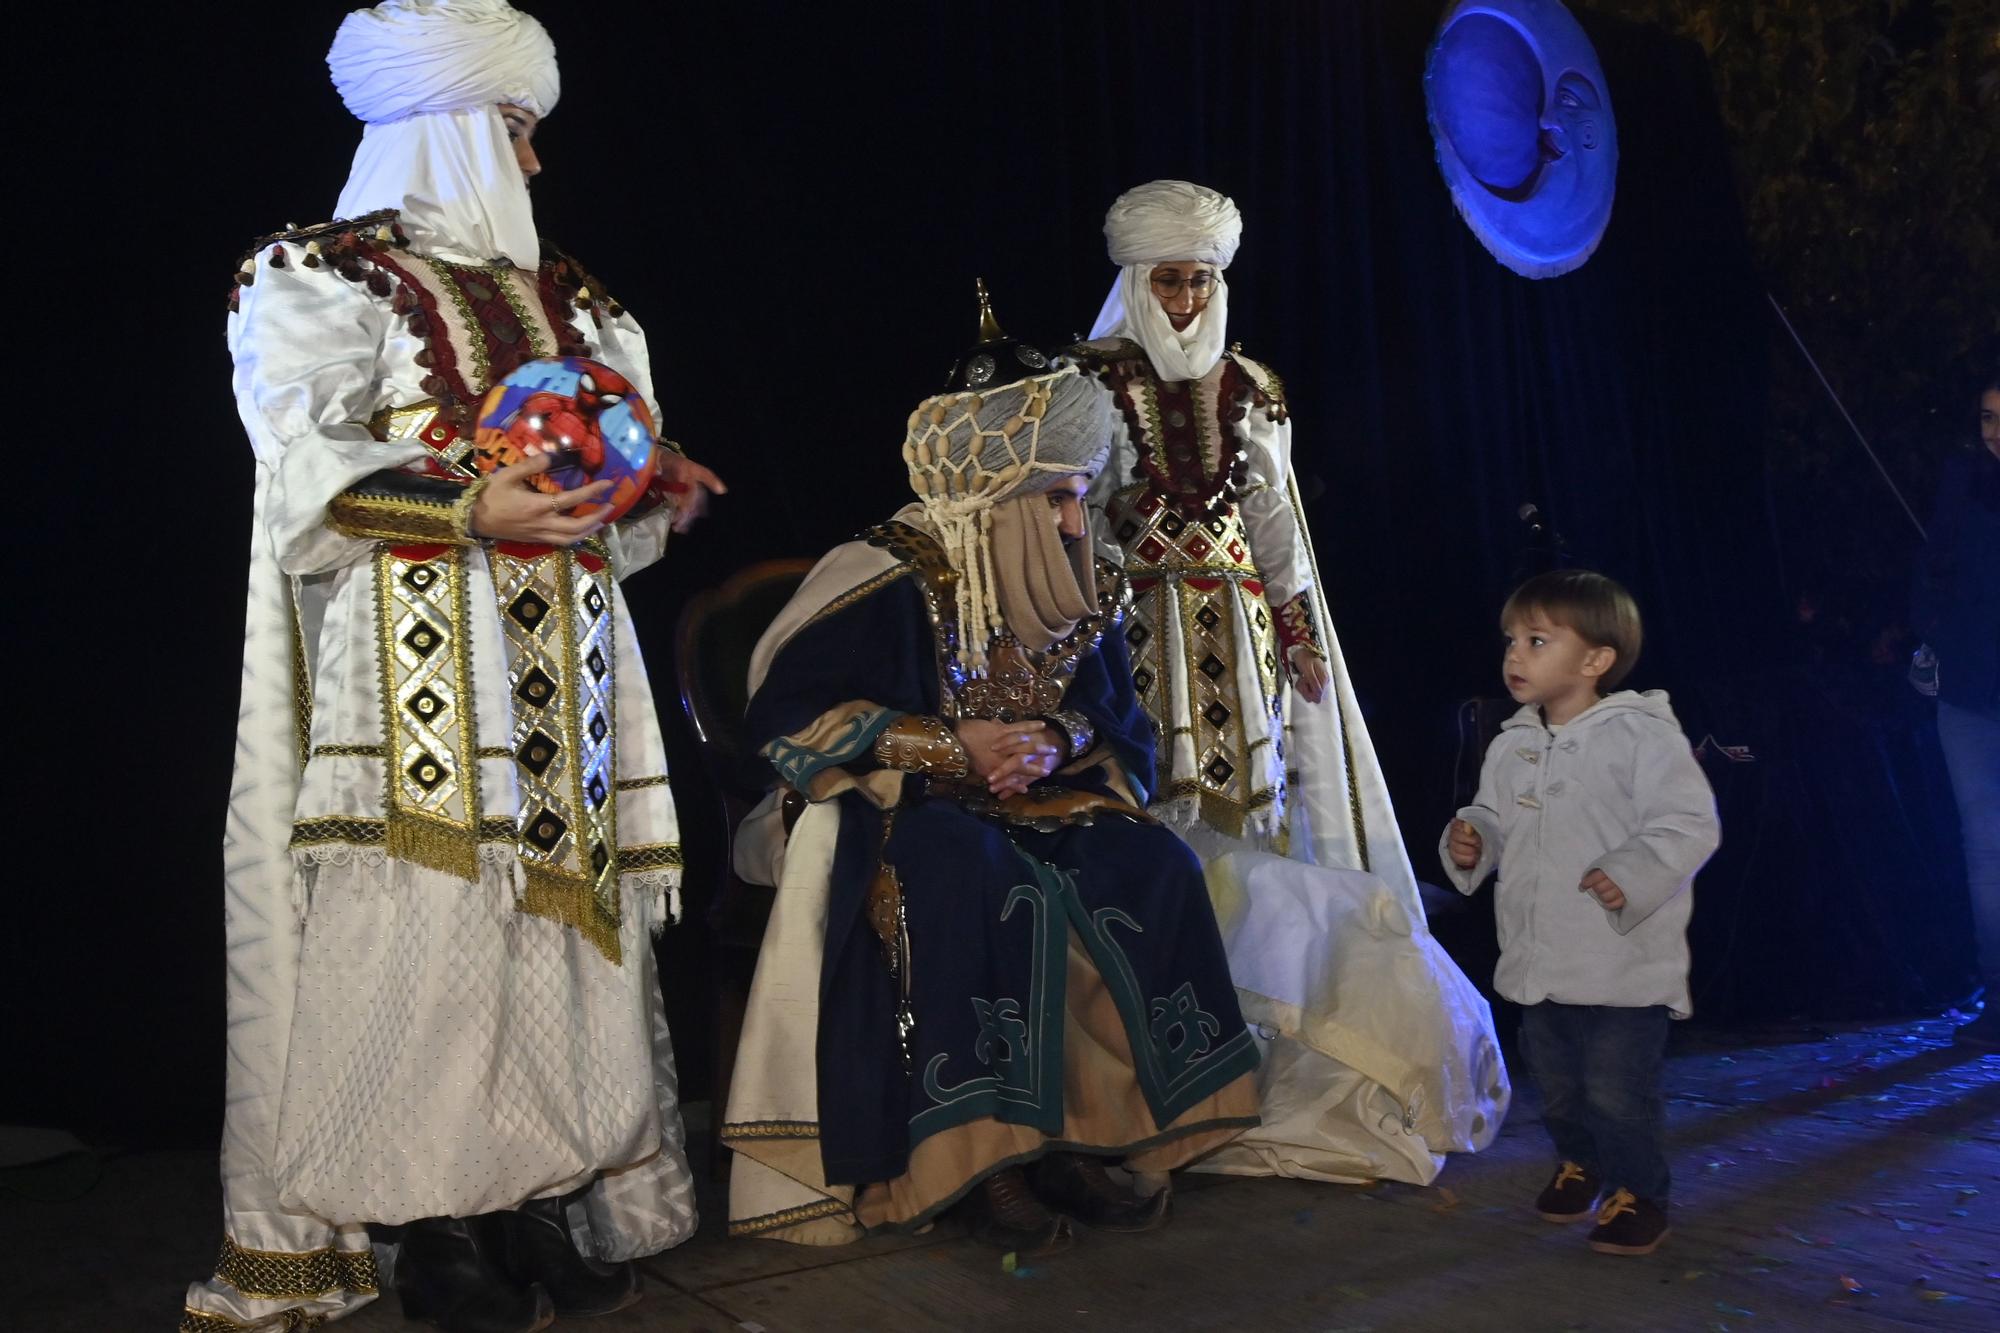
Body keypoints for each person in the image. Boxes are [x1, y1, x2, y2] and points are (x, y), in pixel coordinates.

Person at [186, 5, 720, 1330]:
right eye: (515, 134)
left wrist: (651, 483)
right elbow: (300, 456)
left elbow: (608, 456)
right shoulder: (317, 274)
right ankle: (432, 1226)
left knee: (558, 938)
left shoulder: (575, 295)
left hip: (564, 667)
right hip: (414, 666)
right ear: (443, 128)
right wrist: (465, 506)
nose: (533, 167)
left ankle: (527, 1203)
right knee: (425, 939)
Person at [718, 302, 1261, 1257]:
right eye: (1052, 495)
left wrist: (1053, 741)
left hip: (1034, 800)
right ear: (992, 484)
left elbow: (1111, 716)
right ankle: (984, 1159)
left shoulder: (1063, 573)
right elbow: (790, 719)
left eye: (1077, 496)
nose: (1068, 520)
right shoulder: (884, 570)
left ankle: (1086, 1135)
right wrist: (949, 744)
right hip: (897, 805)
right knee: (971, 873)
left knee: (1148, 865)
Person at [1068, 179, 1507, 1185]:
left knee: (1251, 819)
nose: (1183, 301)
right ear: (1136, 282)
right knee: (1151, 816)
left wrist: (1300, 631)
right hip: (1133, 625)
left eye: (1199, 281)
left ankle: (1253, 1029)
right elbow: (1083, 511)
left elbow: (1275, 524)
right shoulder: (1088, 381)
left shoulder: (1249, 385)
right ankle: (1147, 1046)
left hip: (1237, 630)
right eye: (1166, 281)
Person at [1443, 570, 1720, 1257]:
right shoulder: (1513, 743)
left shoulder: (1639, 734)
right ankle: (1582, 1163)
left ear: (1596, 660)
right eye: (1512, 639)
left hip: (1621, 960)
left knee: (1617, 1091)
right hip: (1542, 956)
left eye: (1538, 640)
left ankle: (1639, 1190)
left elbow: (1689, 822)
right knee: (1561, 1087)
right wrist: (1473, 836)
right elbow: (1494, 817)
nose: (1515, 655)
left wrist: (1631, 872)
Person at [1912, 366, 2000, 1050]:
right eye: (1987, 417)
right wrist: (1932, 640)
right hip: (1970, 692)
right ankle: (1996, 996)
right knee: (1984, 849)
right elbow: (1932, 573)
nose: (1995, 432)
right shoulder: (1964, 482)